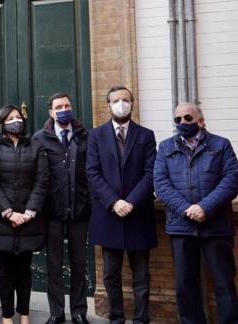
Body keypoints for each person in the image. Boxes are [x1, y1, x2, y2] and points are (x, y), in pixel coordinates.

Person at [154, 103, 238, 324]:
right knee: (185, 284)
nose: (182, 123)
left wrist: (205, 207)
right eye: (178, 119)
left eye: (188, 118)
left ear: (201, 121)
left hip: (216, 225)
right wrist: (186, 209)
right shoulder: (165, 147)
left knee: (224, 281)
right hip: (181, 225)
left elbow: (231, 179)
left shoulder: (221, 145)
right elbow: (161, 183)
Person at [86, 86, 157, 324]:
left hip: (139, 214)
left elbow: (150, 173)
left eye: (125, 100)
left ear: (132, 103)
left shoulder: (146, 135)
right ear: (108, 105)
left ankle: (141, 319)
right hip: (109, 215)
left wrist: (131, 202)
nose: (121, 104)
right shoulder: (96, 136)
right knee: (110, 275)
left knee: (142, 276)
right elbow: (92, 172)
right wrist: (114, 202)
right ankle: (116, 318)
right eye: (116, 100)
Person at [0, 105, 49, 324]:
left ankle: (25, 314)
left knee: (24, 270)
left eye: (18, 117)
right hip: (2, 221)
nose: (15, 121)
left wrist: (28, 213)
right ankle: (7, 316)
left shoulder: (36, 146)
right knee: (5, 270)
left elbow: (42, 181)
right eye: (10, 118)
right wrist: (9, 213)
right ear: (2, 122)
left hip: (29, 220)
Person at [32, 92, 90, 324]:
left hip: (79, 209)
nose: (64, 109)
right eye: (59, 107)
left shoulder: (84, 136)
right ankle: (56, 312)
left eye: (67, 105)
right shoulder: (40, 138)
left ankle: (78, 312)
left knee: (79, 264)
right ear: (51, 112)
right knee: (54, 265)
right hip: (52, 211)